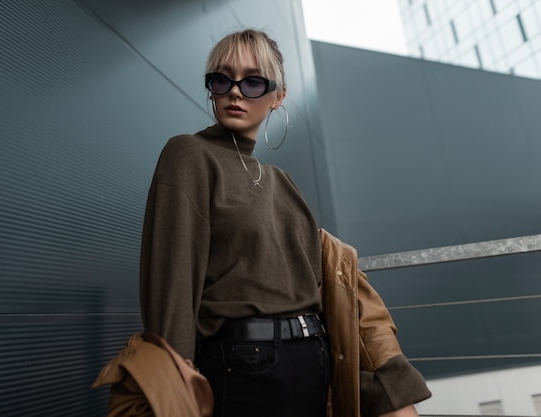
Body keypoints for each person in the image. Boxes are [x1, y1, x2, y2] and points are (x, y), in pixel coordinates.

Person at [139, 29, 430, 417]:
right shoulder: (189, 154)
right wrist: (175, 395)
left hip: (315, 364)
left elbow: (322, 292)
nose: (236, 91)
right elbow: (171, 286)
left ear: (279, 96)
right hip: (243, 369)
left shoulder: (282, 181)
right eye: (222, 79)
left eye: (253, 81)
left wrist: (381, 389)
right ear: (211, 88)